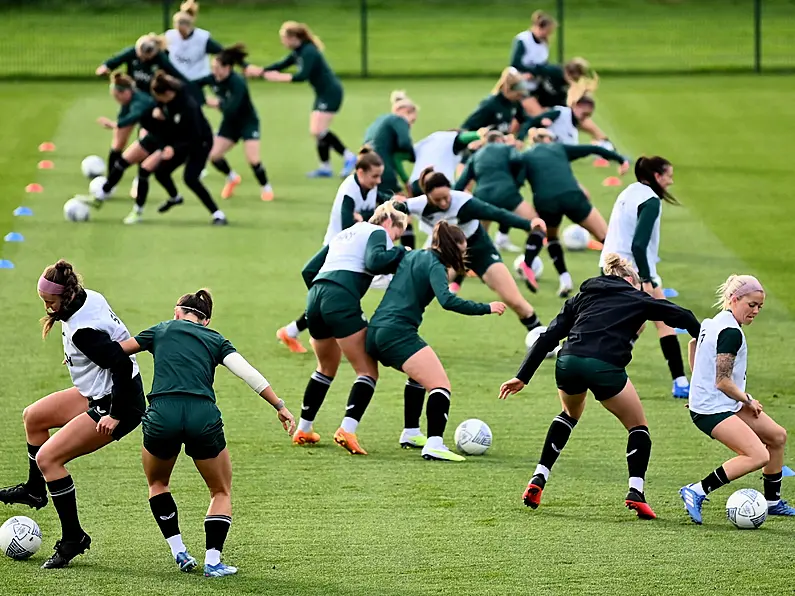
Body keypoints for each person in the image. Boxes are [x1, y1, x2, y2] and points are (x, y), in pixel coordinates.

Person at [498, 253, 701, 519]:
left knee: (569, 414)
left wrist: (522, 377)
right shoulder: (637, 297)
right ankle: (635, 492)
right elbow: (682, 315)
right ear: (630, 280)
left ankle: (539, 476)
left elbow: (547, 337)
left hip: (568, 361)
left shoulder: (582, 297)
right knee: (637, 426)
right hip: (604, 367)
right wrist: (702, 335)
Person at [118, 289, 296, 576]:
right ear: (206, 320)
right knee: (220, 490)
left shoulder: (161, 330)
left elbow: (116, 352)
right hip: (203, 415)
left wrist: (78, 354)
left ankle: (179, 551)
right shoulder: (215, 339)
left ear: (177, 312)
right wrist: (279, 405)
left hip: (163, 413)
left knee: (158, 484)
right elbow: (247, 373)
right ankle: (213, 561)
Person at [0, 260, 146, 569]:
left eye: (49, 302)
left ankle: (73, 539)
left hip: (118, 403)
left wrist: (115, 415)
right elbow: (109, 344)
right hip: (96, 390)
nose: (47, 307)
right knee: (34, 417)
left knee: (49, 459)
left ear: (65, 297)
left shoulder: (83, 332)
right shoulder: (88, 296)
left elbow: (119, 362)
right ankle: (35, 490)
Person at [363, 221, 506, 460]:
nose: (463, 256)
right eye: (461, 251)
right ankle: (435, 443)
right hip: (397, 332)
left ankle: (410, 432)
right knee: (440, 385)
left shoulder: (415, 255)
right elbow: (447, 300)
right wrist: (486, 308)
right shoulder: (436, 265)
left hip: (376, 329)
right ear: (451, 249)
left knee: (418, 377)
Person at [292, 202, 409, 455]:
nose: (393, 241)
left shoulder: (345, 233)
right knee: (368, 371)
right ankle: (347, 429)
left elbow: (308, 269)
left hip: (315, 296)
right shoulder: (377, 232)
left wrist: (323, 292)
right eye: (396, 235)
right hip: (341, 297)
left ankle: (303, 428)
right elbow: (376, 260)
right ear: (389, 222)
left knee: (325, 368)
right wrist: (403, 253)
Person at [680, 275, 795, 524]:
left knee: (777, 437)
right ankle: (696, 490)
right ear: (735, 299)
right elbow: (723, 381)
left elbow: (693, 346)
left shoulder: (713, 322)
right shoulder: (731, 332)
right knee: (757, 456)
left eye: (759, 307)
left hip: (722, 402)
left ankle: (773, 502)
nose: (755, 311)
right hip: (712, 409)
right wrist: (748, 400)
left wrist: (697, 387)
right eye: (751, 305)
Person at [277, 148, 395, 354]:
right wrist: (364, 216)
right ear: (360, 172)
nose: (378, 181)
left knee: (332, 302)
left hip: (349, 253)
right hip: (336, 251)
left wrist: (394, 201)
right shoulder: (349, 190)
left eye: (380, 176)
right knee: (331, 298)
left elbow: (376, 204)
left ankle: (291, 331)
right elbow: (348, 223)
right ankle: (298, 330)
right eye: (374, 176)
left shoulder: (369, 187)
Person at [404, 168, 545, 333]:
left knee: (514, 300)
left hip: (479, 249)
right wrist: (390, 204)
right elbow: (392, 206)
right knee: (419, 289)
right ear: (427, 196)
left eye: (446, 197)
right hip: (446, 253)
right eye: (438, 199)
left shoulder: (465, 203)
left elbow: (497, 213)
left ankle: (544, 339)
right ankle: (402, 332)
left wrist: (528, 224)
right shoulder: (418, 204)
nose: (443, 203)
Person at [599, 156, 690, 398]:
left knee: (633, 325)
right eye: (669, 175)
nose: (671, 181)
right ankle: (680, 381)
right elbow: (639, 244)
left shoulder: (630, 191)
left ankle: (605, 365)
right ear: (657, 176)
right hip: (632, 271)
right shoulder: (650, 201)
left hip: (609, 265)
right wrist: (647, 279)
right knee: (665, 321)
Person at [94, 71, 227, 225]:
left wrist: (173, 149)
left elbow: (194, 135)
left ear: (169, 93)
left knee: (190, 178)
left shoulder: (188, 107)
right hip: (174, 138)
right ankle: (171, 199)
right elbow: (155, 109)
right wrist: (157, 112)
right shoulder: (165, 97)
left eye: (160, 98)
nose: (158, 101)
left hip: (199, 143)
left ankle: (218, 215)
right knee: (159, 173)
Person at [519, 128, 629, 297]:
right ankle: (608, 284)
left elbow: (516, 179)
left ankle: (565, 279)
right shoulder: (559, 148)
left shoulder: (525, 157)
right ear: (550, 139)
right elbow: (594, 149)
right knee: (607, 238)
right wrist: (620, 159)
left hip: (545, 201)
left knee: (552, 238)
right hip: (572, 196)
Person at [261, 21, 357, 178]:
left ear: (293, 37)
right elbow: (281, 64)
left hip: (331, 92)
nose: (282, 41)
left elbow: (302, 76)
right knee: (317, 132)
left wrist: (277, 78)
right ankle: (325, 167)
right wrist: (261, 71)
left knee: (318, 130)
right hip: (322, 93)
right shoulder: (298, 51)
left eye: (284, 38)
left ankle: (350, 157)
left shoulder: (308, 51)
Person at [453, 130, 545, 291]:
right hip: (508, 194)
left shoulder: (476, 156)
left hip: (482, 199)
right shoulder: (507, 148)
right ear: (501, 140)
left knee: (475, 239)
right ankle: (527, 263)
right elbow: (519, 159)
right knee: (537, 226)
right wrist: (518, 181)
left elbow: (460, 184)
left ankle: (456, 282)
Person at [197, 44, 274, 202]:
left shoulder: (237, 83)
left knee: (253, 159)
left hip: (247, 122)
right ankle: (232, 178)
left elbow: (232, 108)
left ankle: (266, 187)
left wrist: (214, 103)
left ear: (227, 68)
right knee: (213, 156)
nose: (214, 71)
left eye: (217, 67)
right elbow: (192, 85)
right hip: (230, 124)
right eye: (212, 67)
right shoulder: (212, 78)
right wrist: (200, 98)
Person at [95, 72, 168, 223]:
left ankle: (139, 211)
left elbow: (135, 115)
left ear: (126, 92)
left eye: (117, 96)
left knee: (147, 172)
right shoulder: (129, 100)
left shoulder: (140, 101)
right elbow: (125, 116)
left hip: (164, 138)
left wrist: (115, 125)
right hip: (152, 137)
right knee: (122, 163)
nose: (117, 100)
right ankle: (101, 195)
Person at [164, 1, 260, 105]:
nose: (181, 36)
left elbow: (224, 53)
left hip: (198, 80)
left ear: (189, 27)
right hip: (176, 81)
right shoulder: (170, 37)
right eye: (178, 32)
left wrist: (245, 66)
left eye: (183, 33)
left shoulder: (202, 39)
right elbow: (162, 56)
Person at [363, 90, 419, 248]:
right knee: (402, 209)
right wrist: (413, 155)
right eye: (411, 121)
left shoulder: (379, 121)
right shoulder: (398, 119)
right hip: (383, 171)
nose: (410, 125)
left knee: (377, 212)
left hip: (366, 168)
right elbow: (405, 143)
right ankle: (410, 255)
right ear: (406, 112)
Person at [508, 10, 557, 116]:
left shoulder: (544, 44)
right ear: (539, 27)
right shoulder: (523, 39)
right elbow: (515, 63)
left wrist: (538, 73)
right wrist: (532, 72)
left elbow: (543, 63)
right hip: (521, 79)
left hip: (535, 81)